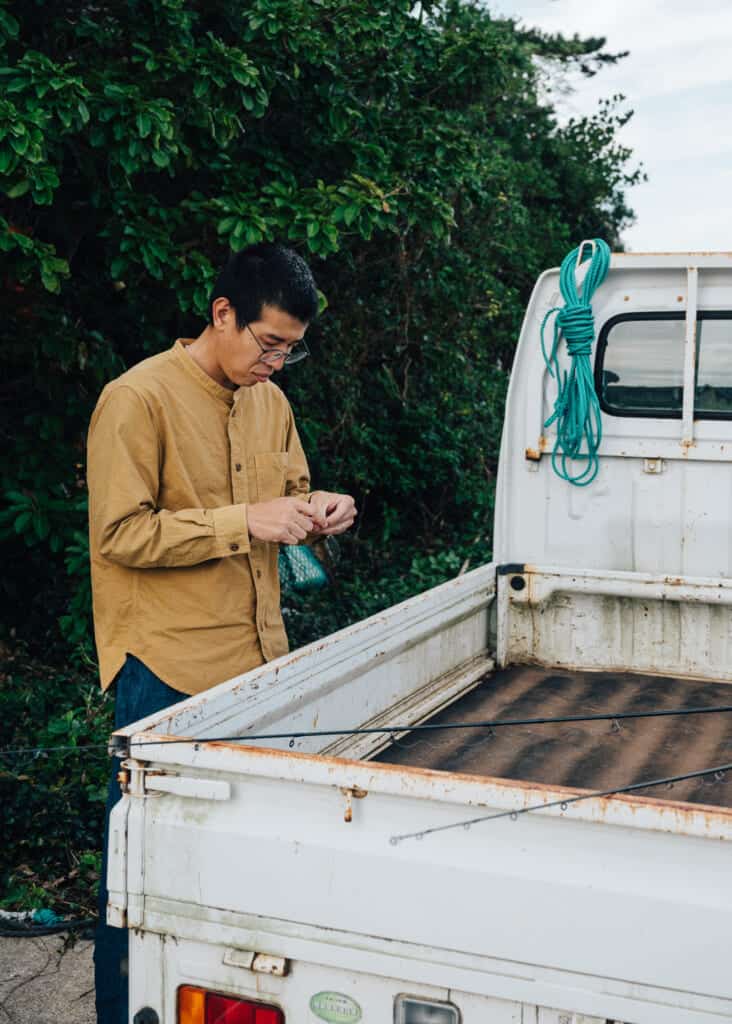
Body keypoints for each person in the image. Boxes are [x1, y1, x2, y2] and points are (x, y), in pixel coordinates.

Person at [87, 242, 357, 1024]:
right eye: (267, 342)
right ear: (221, 314)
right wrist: (246, 521)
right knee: (140, 880)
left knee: (238, 866)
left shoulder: (270, 402)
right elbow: (119, 535)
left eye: (291, 349)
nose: (277, 360)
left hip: (260, 663)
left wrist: (320, 510)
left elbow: (293, 493)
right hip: (164, 671)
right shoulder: (136, 399)